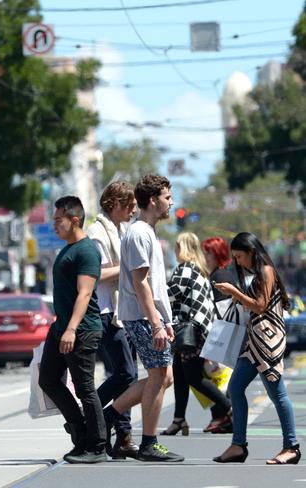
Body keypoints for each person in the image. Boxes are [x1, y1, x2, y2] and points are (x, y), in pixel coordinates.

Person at [102, 174, 184, 462]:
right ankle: (148, 442)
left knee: (164, 376)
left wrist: (165, 320)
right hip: (142, 317)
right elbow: (141, 284)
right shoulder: (138, 234)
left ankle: (108, 416)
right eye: (167, 198)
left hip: (151, 317)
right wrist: (157, 324)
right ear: (152, 200)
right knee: (159, 375)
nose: (171, 203)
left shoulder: (147, 232)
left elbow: (153, 284)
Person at [213, 232, 300, 465]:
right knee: (236, 388)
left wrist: (235, 293)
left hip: (267, 343)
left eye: (240, 257)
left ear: (251, 252)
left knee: (277, 394)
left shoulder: (266, 271)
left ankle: (291, 447)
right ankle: (238, 445)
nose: (238, 262)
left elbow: (260, 306)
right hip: (254, 343)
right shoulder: (258, 274)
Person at [38, 195, 107, 464]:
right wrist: (62, 328)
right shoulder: (66, 249)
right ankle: (80, 434)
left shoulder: (86, 251)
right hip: (61, 327)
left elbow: (85, 293)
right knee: (48, 380)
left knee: (85, 388)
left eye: (58, 220)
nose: (54, 225)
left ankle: (97, 445)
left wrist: (71, 329)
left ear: (75, 219)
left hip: (81, 329)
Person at [87, 181, 139, 460]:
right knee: (126, 374)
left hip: (124, 311)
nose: (133, 210)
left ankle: (125, 436)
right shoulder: (97, 233)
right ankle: (96, 418)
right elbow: (99, 275)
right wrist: (132, 268)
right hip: (105, 312)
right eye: (128, 205)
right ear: (113, 204)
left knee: (129, 379)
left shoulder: (121, 230)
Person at [161, 232, 231, 437]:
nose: (174, 251)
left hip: (191, 332)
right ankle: (178, 419)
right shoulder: (200, 270)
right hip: (198, 331)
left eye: (176, 246)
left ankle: (228, 409)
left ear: (181, 248)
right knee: (181, 374)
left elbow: (170, 295)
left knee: (193, 377)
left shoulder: (185, 269)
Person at [201, 235, 237, 433]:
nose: (204, 256)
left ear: (216, 254)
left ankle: (225, 414)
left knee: (215, 375)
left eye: (207, 252)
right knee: (218, 376)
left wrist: (215, 341)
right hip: (224, 333)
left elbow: (223, 311)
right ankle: (222, 418)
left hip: (222, 333)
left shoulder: (220, 277)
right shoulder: (219, 274)